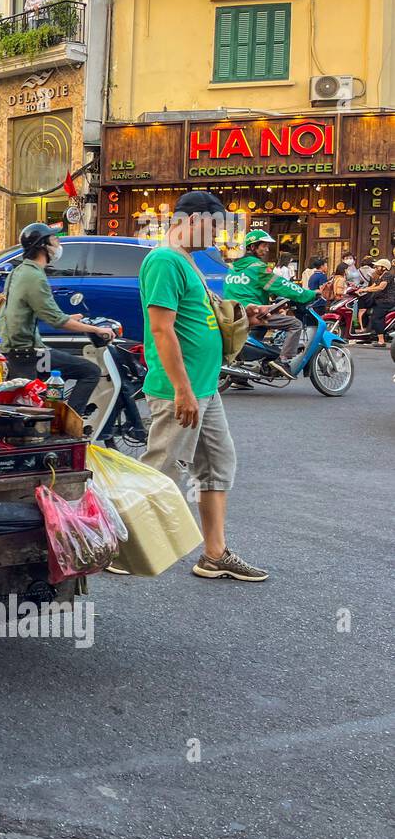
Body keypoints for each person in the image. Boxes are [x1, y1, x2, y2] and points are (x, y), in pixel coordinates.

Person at [138, 190, 267, 582]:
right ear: (192, 220)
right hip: (181, 389)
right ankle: (118, 546)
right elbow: (161, 330)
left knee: (216, 467)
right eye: (214, 228)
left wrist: (248, 314)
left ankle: (214, 555)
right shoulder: (163, 260)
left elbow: (202, 316)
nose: (217, 238)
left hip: (205, 387)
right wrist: (182, 389)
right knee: (161, 472)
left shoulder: (187, 261)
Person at [0, 223, 115, 416]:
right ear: (43, 245)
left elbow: (33, 311)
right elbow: (56, 321)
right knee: (90, 371)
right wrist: (96, 329)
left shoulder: (18, 272)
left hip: (15, 349)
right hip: (29, 353)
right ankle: (71, 421)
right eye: (55, 240)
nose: (58, 244)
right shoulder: (35, 276)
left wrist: (69, 318)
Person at [221, 229, 317, 372]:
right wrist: (308, 294)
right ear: (252, 247)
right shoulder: (258, 267)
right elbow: (282, 286)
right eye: (263, 246)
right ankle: (283, 361)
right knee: (295, 324)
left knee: (260, 329)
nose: (266, 250)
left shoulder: (233, 268)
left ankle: (240, 374)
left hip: (233, 312)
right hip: (251, 313)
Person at [356, 258, 393, 343]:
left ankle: (381, 340)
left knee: (376, 317)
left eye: (377, 267)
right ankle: (367, 332)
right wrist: (361, 290)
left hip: (386, 301)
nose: (375, 268)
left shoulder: (387, 275)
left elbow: (381, 287)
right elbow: (373, 286)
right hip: (379, 300)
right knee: (364, 307)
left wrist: (365, 290)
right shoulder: (380, 277)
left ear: (384, 268)